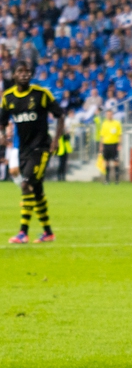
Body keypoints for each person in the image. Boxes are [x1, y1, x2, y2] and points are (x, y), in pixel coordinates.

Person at [0, 62, 64, 244]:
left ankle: (23, 232)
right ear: (14, 76)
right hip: (23, 150)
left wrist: (55, 140)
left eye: (27, 71)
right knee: (36, 191)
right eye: (20, 71)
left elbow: (60, 115)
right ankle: (48, 233)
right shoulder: (8, 98)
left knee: (25, 184)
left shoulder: (41, 94)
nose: (25, 74)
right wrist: (3, 135)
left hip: (41, 148)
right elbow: (2, 120)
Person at [100, 108, 123, 185]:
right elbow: (102, 136)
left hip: (114, 144)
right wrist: (101, 146)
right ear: (106, 115)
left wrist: (119, 144)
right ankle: (107, 180)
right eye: (107, 114)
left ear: (112, 115)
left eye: (110, 114)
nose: (109, 115)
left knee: (115, 162)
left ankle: (116, 180)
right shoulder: (104, 124)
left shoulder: (117, 123)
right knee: (106, 162)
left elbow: (120, 135)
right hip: (106, 144)